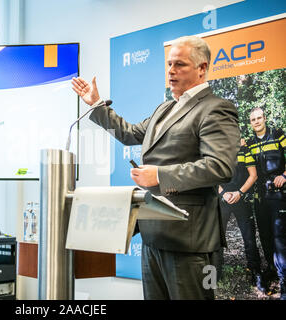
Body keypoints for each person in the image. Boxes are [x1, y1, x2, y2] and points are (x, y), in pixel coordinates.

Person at [72, 35, 240, 300]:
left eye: (180, 65)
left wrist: (159, 175)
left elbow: (220, 167)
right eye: (169, 64)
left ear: (202, 68)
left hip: (190, 242)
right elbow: (129, 133)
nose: (171, 71)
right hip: (153, 235)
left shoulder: (216, 108)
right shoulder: (165, 108)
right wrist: (96, 104)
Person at [246, 107, 286, 299]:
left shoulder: (278, 135)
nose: (256, 121)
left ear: (265, 118)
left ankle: (284, 280)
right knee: (265, 236)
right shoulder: (250, 143)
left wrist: (284, 175)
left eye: (259, 118)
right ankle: (271, 270)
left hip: (278, 195)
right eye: (253, 119)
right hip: (259, 197)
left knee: (280, 237)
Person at [216, 138, 265, 292]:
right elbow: (211, 177)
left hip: (241, 199)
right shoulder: (218, 151)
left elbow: (253, 175)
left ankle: (256, 272)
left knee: (249, 237)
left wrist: (240, 192)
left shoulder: (245, 150)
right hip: (222, 199)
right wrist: (223, 194)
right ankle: (214, 274)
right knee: (216, 238)